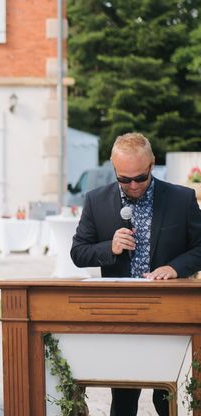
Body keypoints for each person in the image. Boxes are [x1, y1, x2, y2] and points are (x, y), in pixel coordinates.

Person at [71, 132, 201, 416]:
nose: (133, 186)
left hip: (169, 313)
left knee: (166, 398)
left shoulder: (182, 198)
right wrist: (110, 247)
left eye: (140, 178)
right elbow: (78, 253)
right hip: (120, 312)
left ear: (153, 164)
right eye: (124, 179)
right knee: (124, 398)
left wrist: (175, 267)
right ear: (113, 168)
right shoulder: (96, 200)